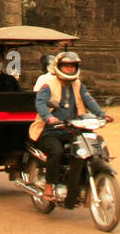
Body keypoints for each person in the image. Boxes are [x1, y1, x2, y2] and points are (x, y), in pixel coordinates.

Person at [30, 51, 111, 200]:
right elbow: (40, 103)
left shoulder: (78, 84)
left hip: (73, 129)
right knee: (57, 151)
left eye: (72, 66)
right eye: (66, 66)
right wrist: (48, 117)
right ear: (59, 67)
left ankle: (77, 186)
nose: (70, 69)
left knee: (87, 149)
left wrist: (102, 114)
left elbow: (88, 100)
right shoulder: (49, 84)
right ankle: (49, 184)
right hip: (50, 131)